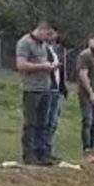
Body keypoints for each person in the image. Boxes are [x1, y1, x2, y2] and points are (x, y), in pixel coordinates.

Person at [15, 20, 57, 166]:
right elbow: (21, 65)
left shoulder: (44, 45)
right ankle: (29, 154)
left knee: (43, 123)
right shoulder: (25, 43)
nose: (48, 38)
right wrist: (42, 66)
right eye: (48, 34)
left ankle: (42, 153)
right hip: (32, 89)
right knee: (31, 123)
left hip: (46, 88)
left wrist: (51, 67)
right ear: (41, 30)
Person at [76, 34, 94, 160]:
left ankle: (92, 149)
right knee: (87, 120)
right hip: (87, 94)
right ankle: (86, 149)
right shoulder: (85, 55)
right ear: (90, 42)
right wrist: (91, 93)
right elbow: (83, 75)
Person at [45, 28, 66, 161]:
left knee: (54, 122)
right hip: (48, 89)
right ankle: (44, 151)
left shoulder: (54, 51)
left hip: (57, 90)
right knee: (47, 121)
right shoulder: (43, 50)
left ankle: (49, 149)